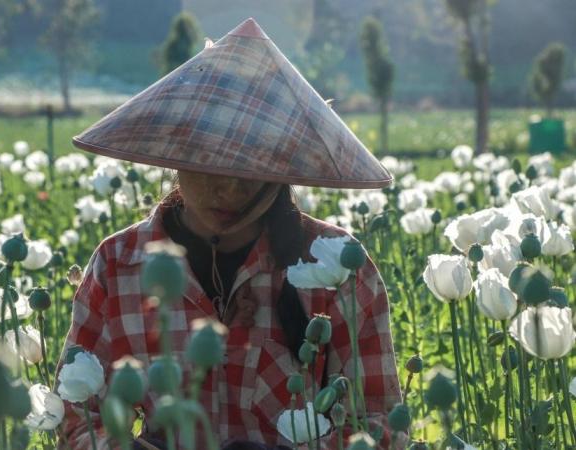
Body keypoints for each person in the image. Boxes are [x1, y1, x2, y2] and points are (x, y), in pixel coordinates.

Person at [56, 18, 402, 450]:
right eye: (211, 167)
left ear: (282, 172)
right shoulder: (119, 264)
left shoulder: (336, 267)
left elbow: (380, 423)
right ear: (174, 157)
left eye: (253, 171)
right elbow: (77, 419)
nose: (231, 189)